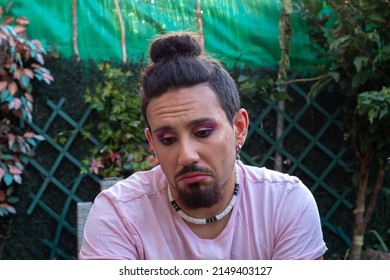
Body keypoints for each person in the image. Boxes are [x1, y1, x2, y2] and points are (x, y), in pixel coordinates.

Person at [79, 31, 327, 260]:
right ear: (152, 143)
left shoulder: (284, 203)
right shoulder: (119, 215)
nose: (186, 156)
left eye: (203, 132)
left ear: (239, 128)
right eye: (168, 140)